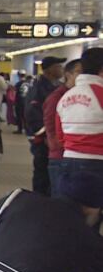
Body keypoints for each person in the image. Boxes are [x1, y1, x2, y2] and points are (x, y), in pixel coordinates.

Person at [57, 47, 103, 196]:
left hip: (69, 160)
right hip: (97, 162)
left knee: (72, 211)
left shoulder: (65, 97)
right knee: (93, 213)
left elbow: (60, 135)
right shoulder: (100, 93)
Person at [25, 56, 67, 195]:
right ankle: (39, 204)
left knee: (51, 176)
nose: (62, 69)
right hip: (43, 141)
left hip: (54, 139)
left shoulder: (57, 86)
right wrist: (44, 135)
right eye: (58, 66)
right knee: (42, 174)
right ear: (49, 70)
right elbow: (32, 114)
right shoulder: (39, 88)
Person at [43, 59, 83, 195]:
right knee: (62, 202)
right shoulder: (57, 97)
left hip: (74, 155)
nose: (83, 76)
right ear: (68, 74)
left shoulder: (83, 96)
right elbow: (50, 128)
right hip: (61, 158)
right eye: (79, 72)